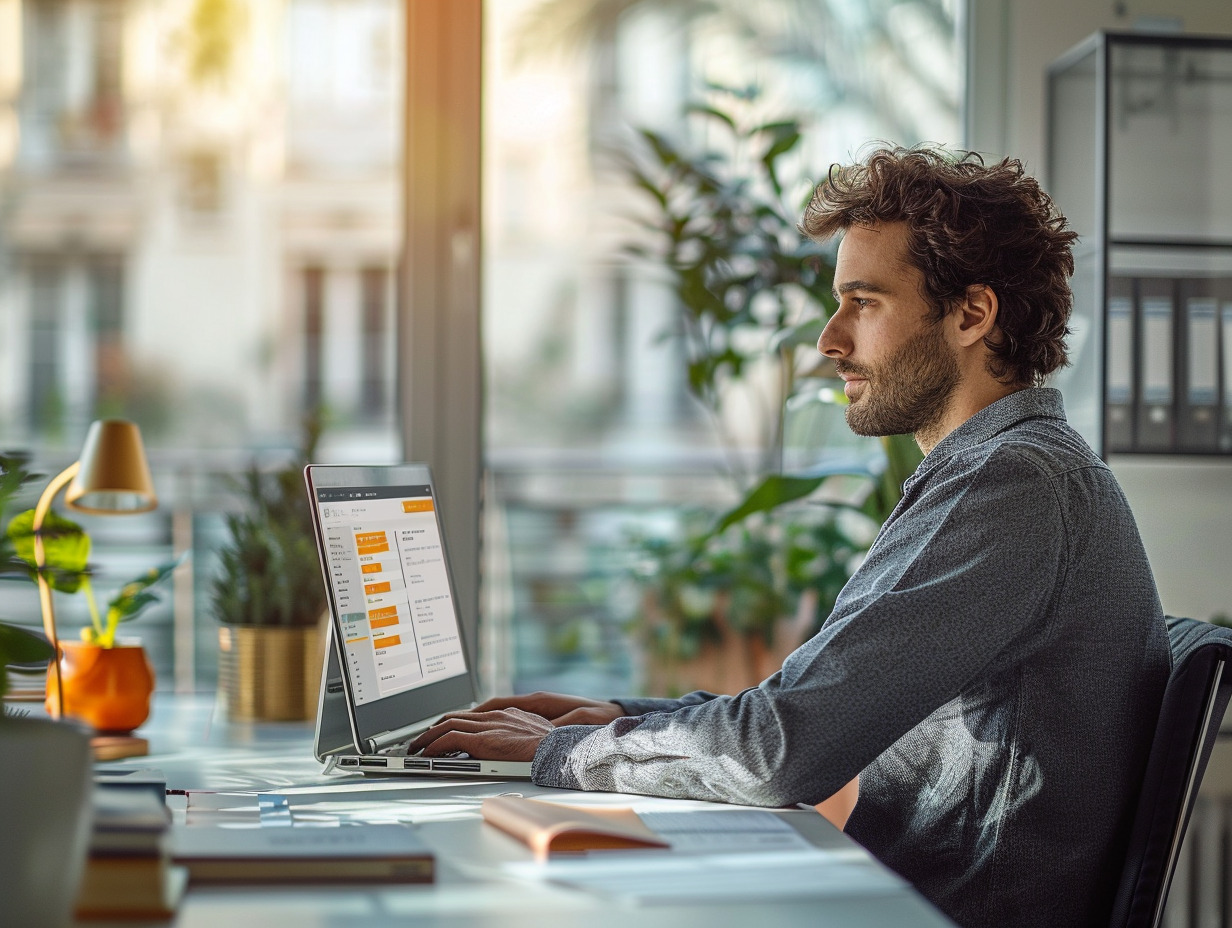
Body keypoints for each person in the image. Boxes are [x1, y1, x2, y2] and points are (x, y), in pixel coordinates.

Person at [409, 146, 1170, 928]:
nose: (829, 340)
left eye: (863, 302)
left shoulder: (1011, 488)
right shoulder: (1007, 475)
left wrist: (560, 754)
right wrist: (618, 719)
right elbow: (805, 713)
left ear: (972, 315)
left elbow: (780, 752)